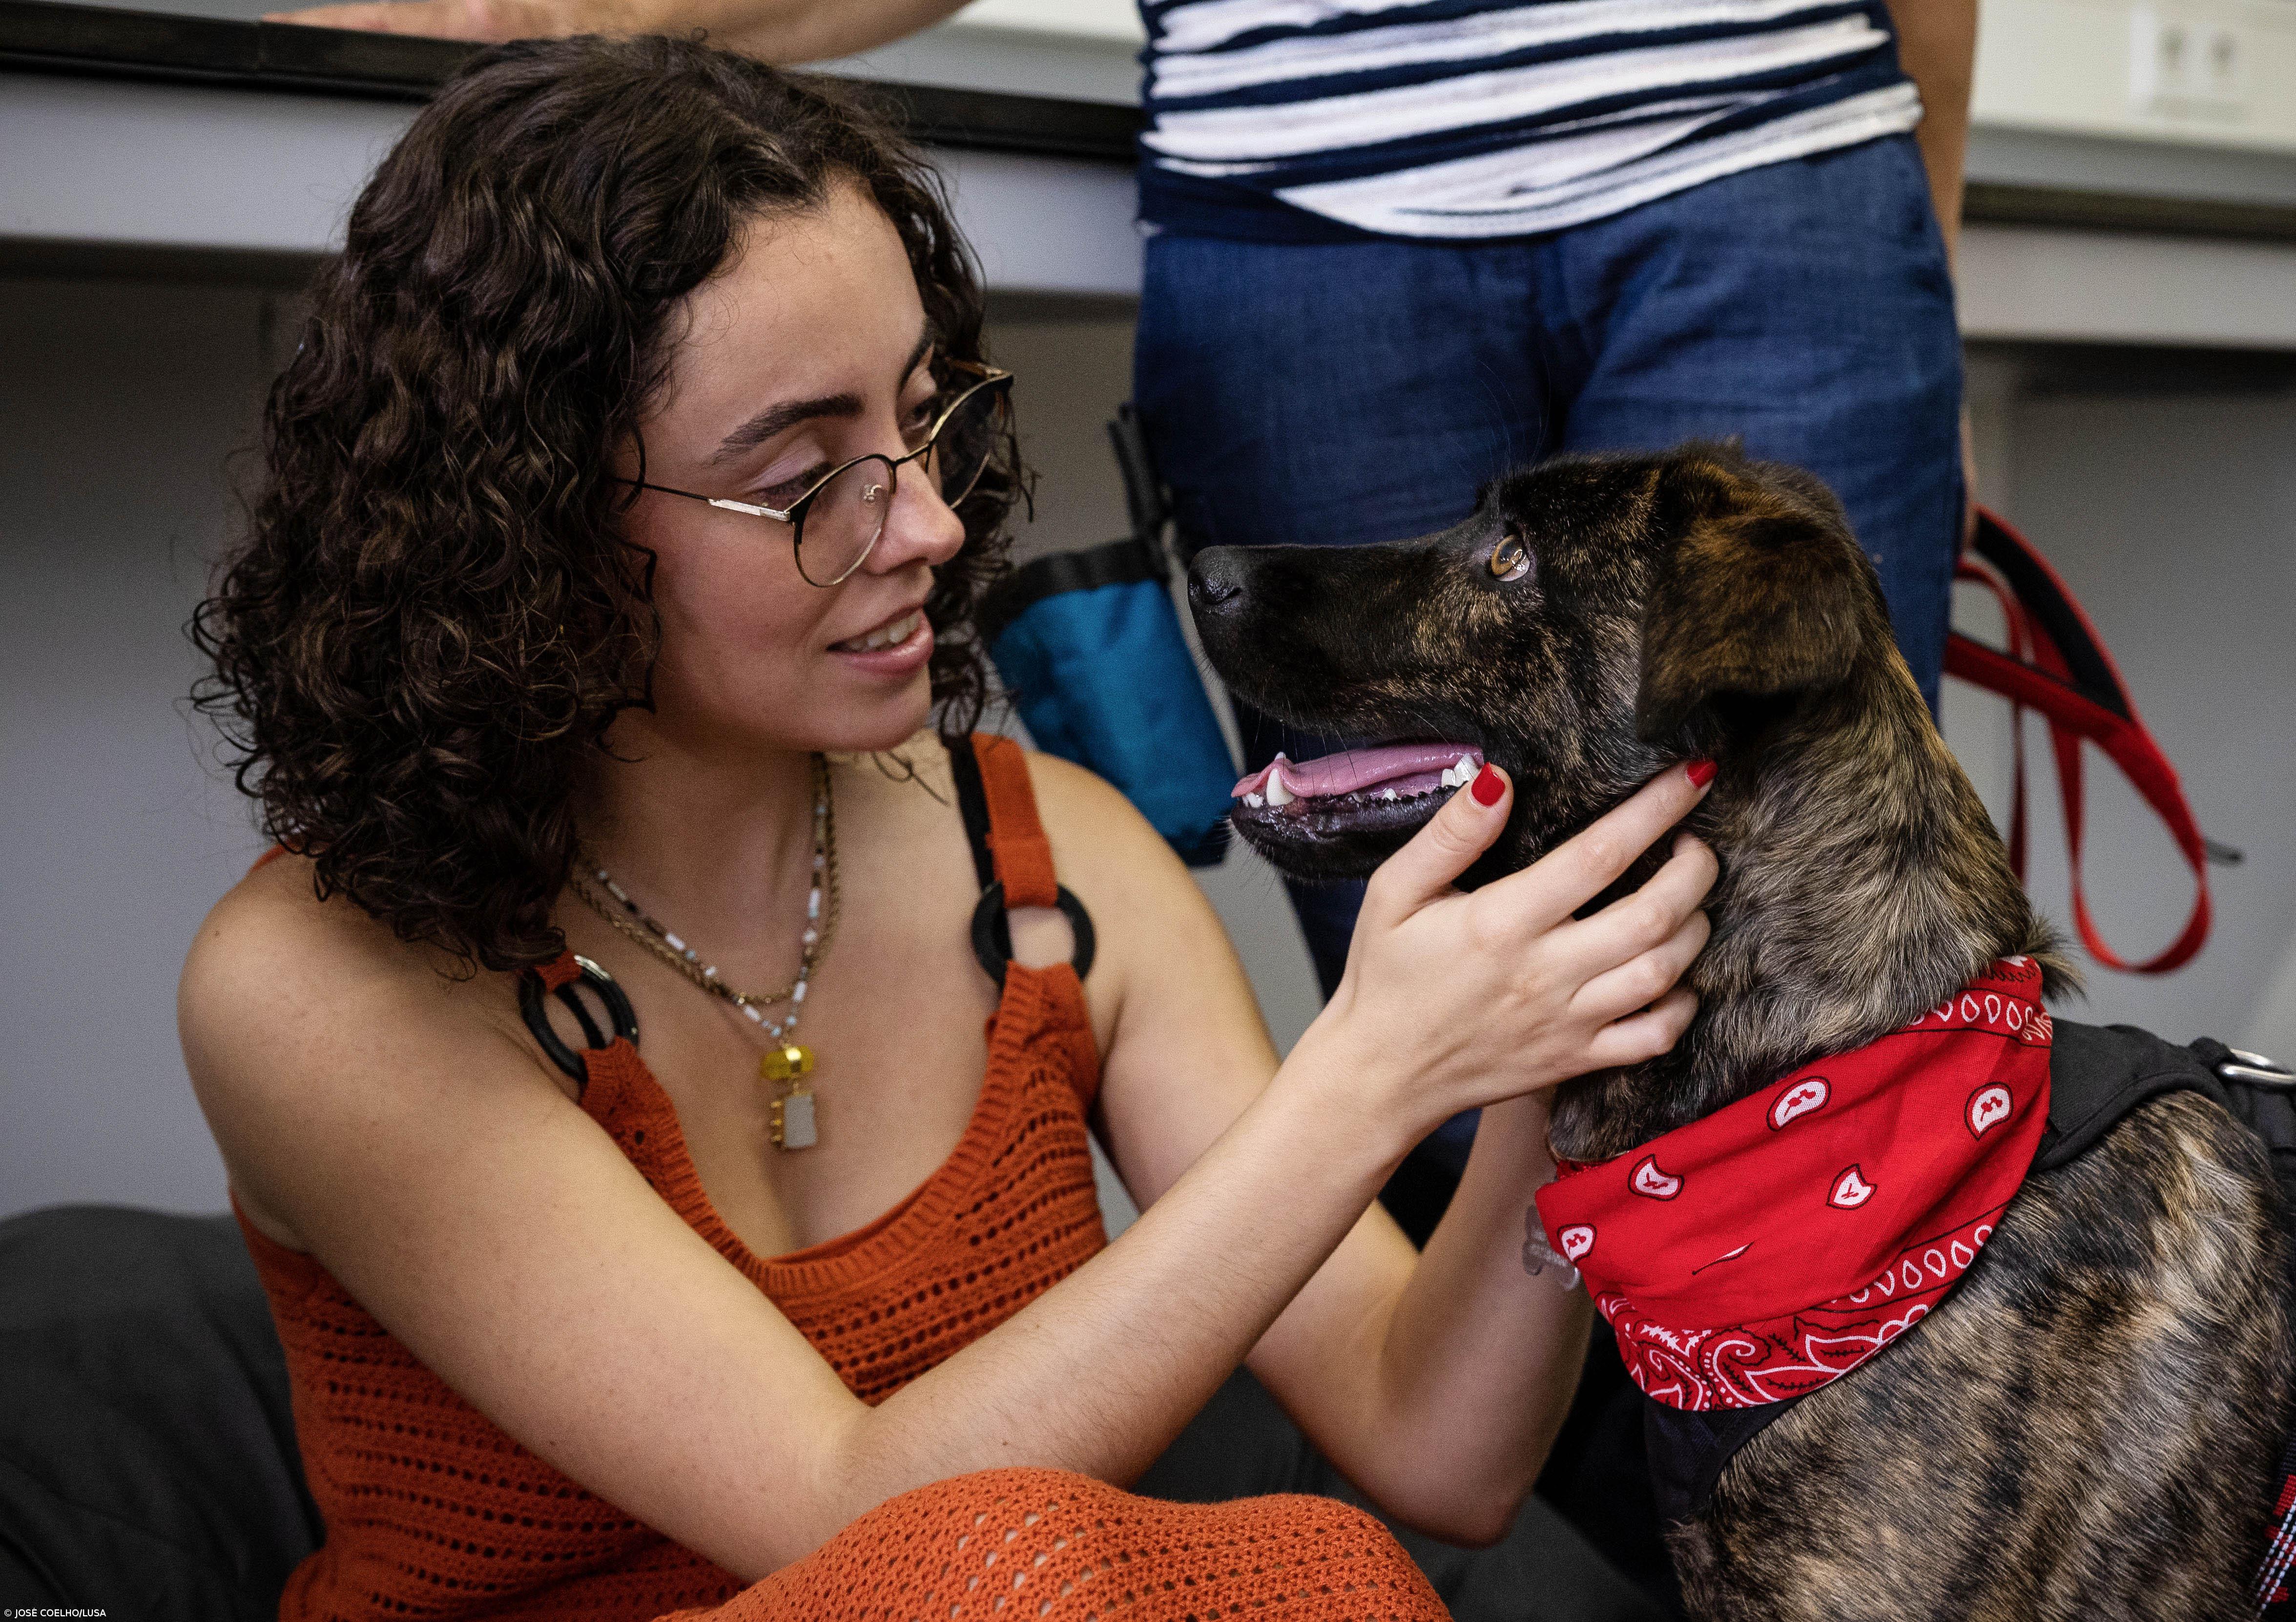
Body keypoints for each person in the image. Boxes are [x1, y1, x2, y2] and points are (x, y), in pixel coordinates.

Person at [179, 36, 1720, 1620]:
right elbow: (856, 1525)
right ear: (535, 517)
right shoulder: (313, 978)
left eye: (924, 420)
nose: (924, 521)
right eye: (804, 478)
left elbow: (1442, 1449)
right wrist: (1371, 1072)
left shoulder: (1057, 867)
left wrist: (1545, 1044)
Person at [267, 0, 1978, 1015]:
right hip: (1303, 222)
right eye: (805, 475)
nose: (931, 535)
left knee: (1812, 937)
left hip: (1773, 175)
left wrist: (1923, 281)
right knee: (1431, 958)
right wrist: (533, 19)